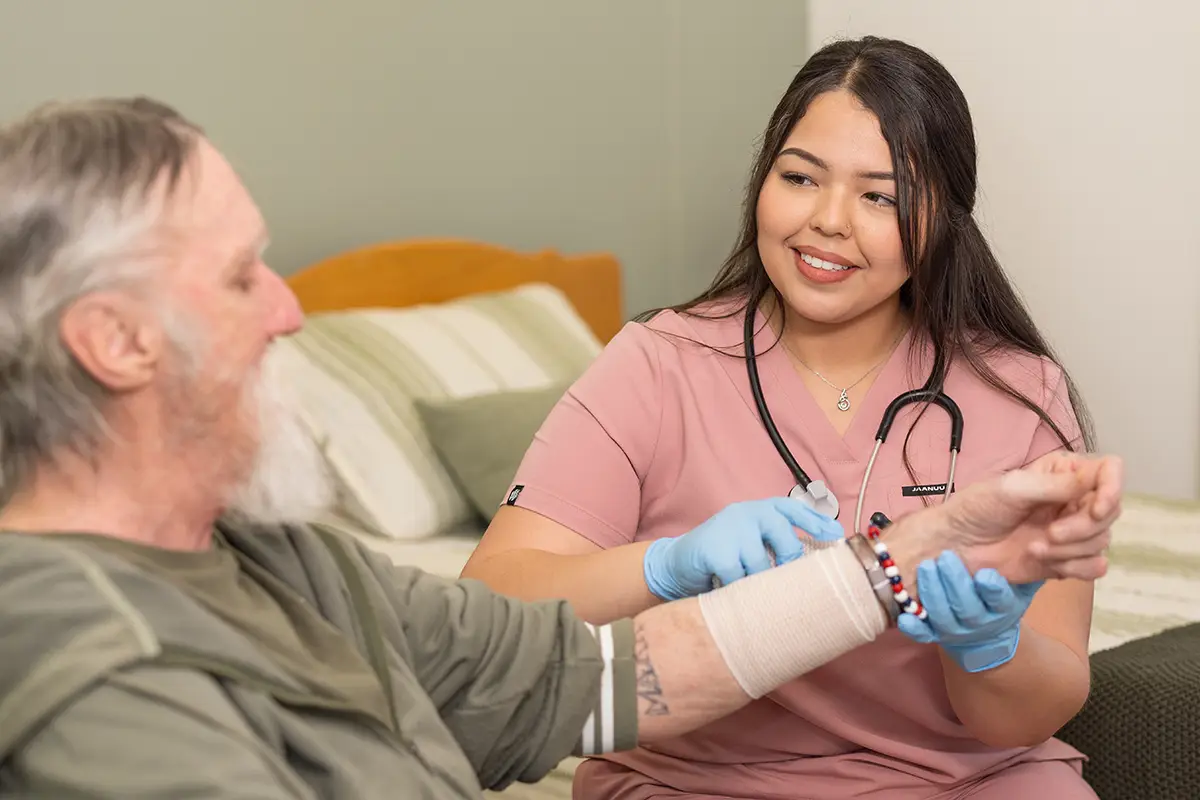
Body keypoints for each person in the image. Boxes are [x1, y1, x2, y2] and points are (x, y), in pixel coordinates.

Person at [0, 98, 1120, 800]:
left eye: (880, 195)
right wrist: (677, 559)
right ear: (114, 340)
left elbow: (584, 680)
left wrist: (900, 558)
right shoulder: (95, 664)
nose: (290, 308)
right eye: (246, 273)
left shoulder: (293, 565)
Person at [460, 35, 1105, 799]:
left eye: (881, 195)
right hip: (699, 781)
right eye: (801, 177)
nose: (828, 221)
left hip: (958, 782)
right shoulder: (656, 365)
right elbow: (490, 609)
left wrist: (987, 648)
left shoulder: (1018, 392)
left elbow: (1033, 713)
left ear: (943, 220)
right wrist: (664, 565)